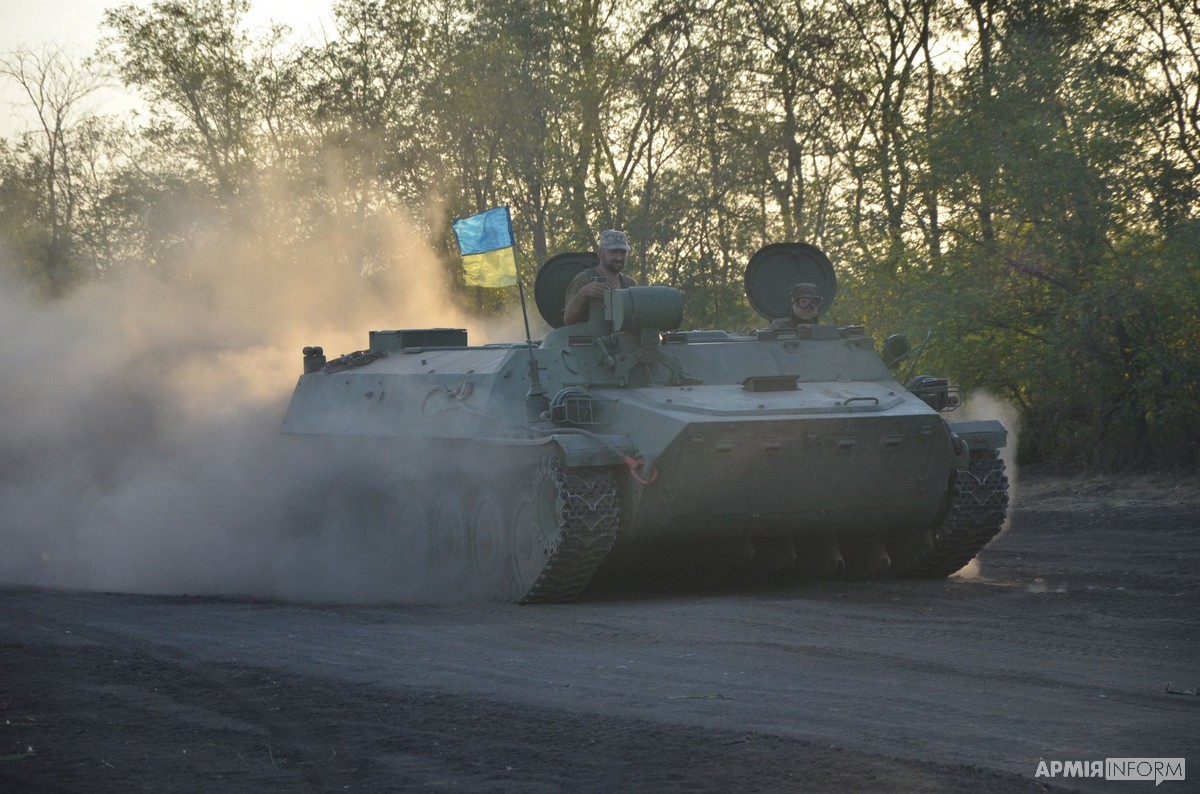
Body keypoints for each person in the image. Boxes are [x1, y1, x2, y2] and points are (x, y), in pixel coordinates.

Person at [562, 229, 638, 324]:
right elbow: (568, 319)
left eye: (623, 252)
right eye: (613, 252)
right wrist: (583, 293)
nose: (619, 258)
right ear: (600, 253)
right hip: (590, 333)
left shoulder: (630, 284)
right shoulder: (584, 279)